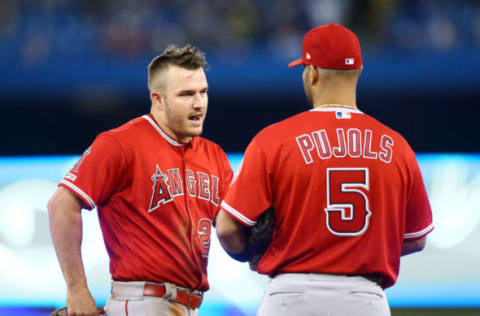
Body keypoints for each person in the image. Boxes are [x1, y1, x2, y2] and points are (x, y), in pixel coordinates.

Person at [215, 23, 434, 316]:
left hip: (292, 295)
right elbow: (417, 238)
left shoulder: (274, 140)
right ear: (358, 72)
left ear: (313, 73)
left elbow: (228, 227)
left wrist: (252, 253)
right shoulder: (397, 147)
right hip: (365, 297)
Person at [48, 44, 233, 316]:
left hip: (189, 305)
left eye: (203, 92)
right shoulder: (121, 144)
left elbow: (233, 232)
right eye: (186, 94)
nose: (198, 103)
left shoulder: (214, 155)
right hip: (141, 301)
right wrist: (77, 288)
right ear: (158, 99)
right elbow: (61, 205)